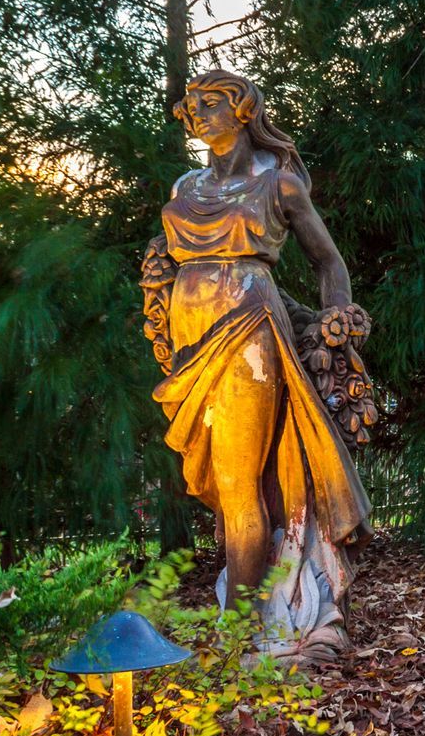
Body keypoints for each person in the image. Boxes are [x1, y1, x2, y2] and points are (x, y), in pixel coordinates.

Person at [141, 70, 372, 658]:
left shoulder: (281, 185)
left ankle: (237, 639)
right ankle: (250, 616)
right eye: (189, 107)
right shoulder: (182, 187)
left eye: (209, 103)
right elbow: (165, 267)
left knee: (242, 486)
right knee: (229, 488)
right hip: (191, 344)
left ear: (244, 109)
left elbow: (329, 263)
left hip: (249, 333)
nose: (194, 115)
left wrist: (337, 323)